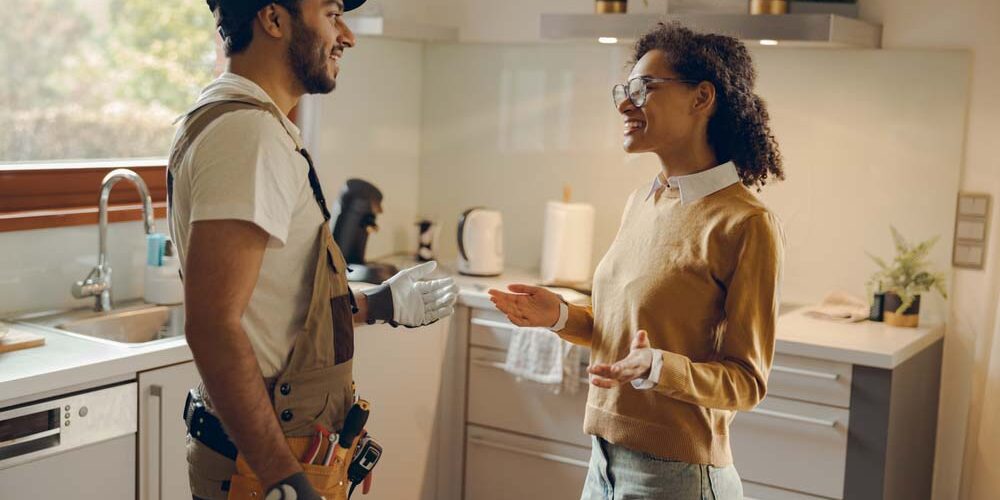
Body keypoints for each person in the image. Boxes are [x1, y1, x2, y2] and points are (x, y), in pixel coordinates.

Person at [167, 1, 458, 498]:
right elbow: (214, 327)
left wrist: (376, 304)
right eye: (331, 13)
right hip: (265, 468)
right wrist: (284, 480)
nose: (348, 36)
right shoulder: (248, 134)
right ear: (274, 20)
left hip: (296, 448)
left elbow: (271, 313)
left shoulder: (239, 120)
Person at [489, 22, 785, 500]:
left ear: (701, 98)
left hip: (678, 477)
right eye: (624, 91)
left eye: (644, 88)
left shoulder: (746, 223)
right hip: (602, 465)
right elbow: (625, 333)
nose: (626, 104)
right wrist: (560, 316)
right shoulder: (644, 201)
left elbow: (746, 383)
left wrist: (658, 367)